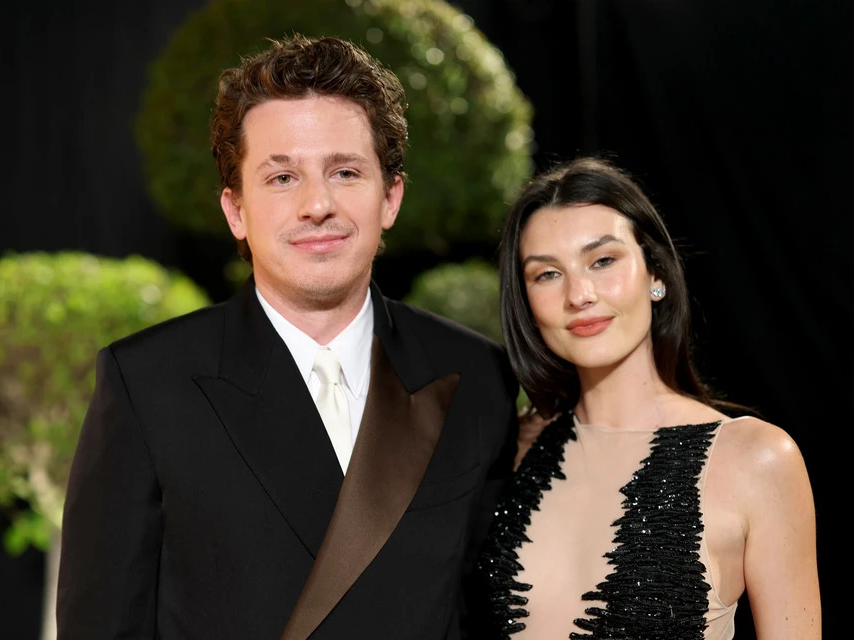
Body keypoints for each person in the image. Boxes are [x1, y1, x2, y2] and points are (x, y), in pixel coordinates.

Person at [56, 34, 519, 639]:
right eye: (281, 178)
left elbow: (495, 613)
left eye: (345, 172)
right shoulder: (148, 384)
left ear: (391, 198)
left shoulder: (476, 374)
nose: (317, 204)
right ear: (235, 211)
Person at [468, 156, 820, 639]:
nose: (579, 294)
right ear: (526, 304)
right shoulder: (516, 447)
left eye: (603, 261)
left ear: (656, 274)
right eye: (547, 274)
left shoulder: (757, 460)